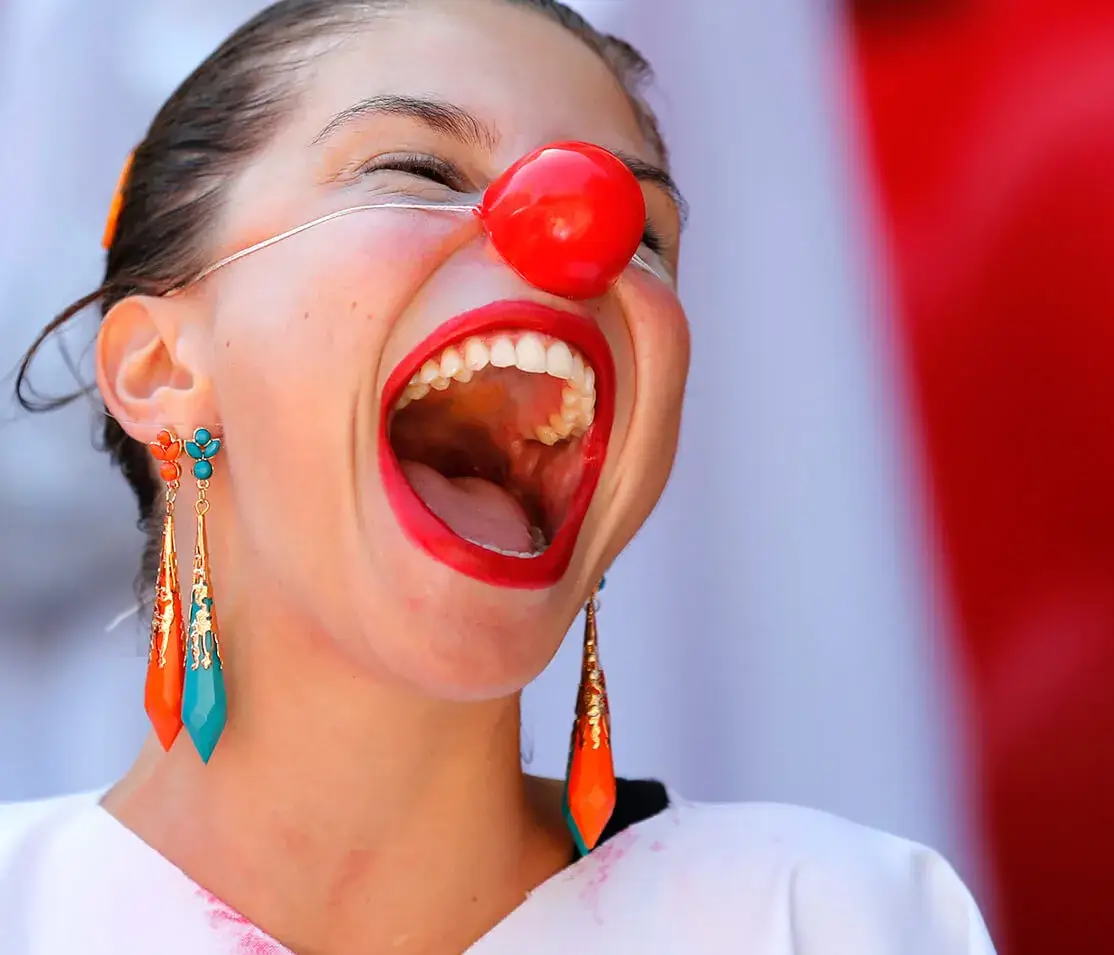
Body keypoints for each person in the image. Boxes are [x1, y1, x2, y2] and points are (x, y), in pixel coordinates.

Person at [0, 1, 995, 952]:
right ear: (158, 368)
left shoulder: (838, 921)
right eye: (420, 168)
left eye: (643, 231)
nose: (578, 239)